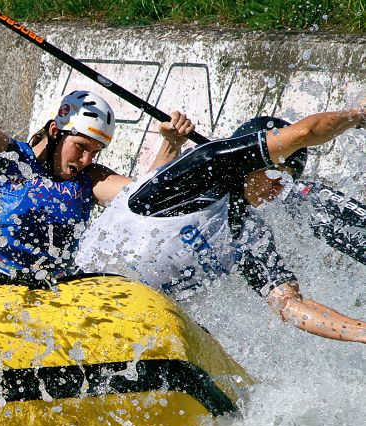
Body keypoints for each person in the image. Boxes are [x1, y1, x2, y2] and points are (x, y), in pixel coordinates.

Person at [0, 0, 188, 284]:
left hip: (47, 301)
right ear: (56, 132)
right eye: (81, 147)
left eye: (95, 152)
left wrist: (170, 144)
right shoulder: (8, 158)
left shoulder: (90, 180)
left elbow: (144, 196)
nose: (86, 160)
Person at [74, 110, 366, 344]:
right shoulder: (203, 168)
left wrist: (360, 331)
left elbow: (289, 306)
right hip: (83, 296)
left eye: (287, 179)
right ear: (249, 160)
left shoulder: (251, 234)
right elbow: (303, 133)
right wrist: (358, 114)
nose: (279, 188)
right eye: (276, 172)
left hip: (141, 327)